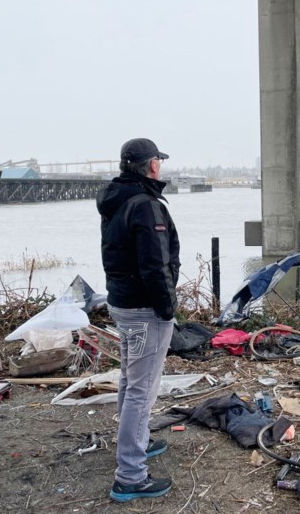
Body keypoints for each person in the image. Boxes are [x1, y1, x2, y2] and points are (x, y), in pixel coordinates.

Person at [96, 137, 180, 503]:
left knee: (131, 379)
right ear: (151, 166)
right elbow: (155, 265)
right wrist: (167, 309)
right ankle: (130, 474)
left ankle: (137, 443)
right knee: (141, 389)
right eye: (158, 160)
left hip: (122, 304)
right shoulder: (146, 206)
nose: (160, 165)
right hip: (145, 311)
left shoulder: (116, 200)